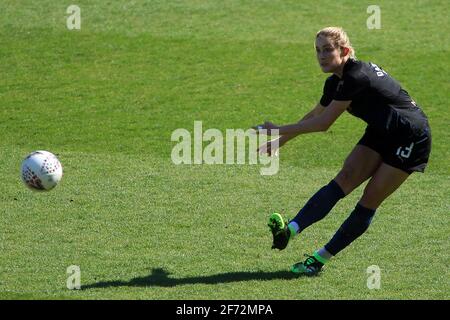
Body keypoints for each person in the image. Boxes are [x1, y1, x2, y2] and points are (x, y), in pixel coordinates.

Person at [254, 27, 432, 276]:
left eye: (328, 50)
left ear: (345, 51)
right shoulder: (335, 82)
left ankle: (318, 260)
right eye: (318, 50)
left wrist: (277, 129)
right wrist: (282, 140)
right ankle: (290, 230)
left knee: (368, 200)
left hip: (411, 136)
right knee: (345, 177)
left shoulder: (356, 76)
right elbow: (315, 114)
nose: (321, 56)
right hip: (382, 130)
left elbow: (323, 124)